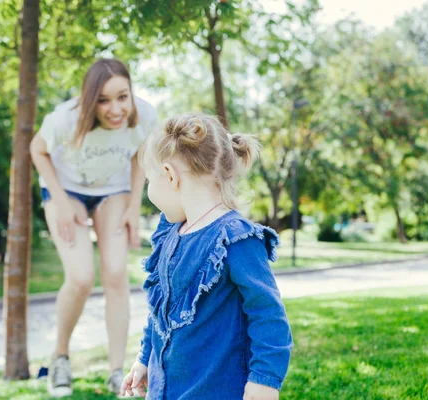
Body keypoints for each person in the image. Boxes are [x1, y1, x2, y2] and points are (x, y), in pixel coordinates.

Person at [120, 113, 293, 399]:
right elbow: (160, 311)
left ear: (170, 175)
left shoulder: (235, 237)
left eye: (150, 180)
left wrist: (264, 380)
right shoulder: (171, 233)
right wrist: (144, 359)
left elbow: (268, 313)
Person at [29, 58, 158, 397]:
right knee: (81, 277)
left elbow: (140, 155)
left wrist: (133, 205)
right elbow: (37, 150)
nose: (115, 109)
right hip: (66, 189)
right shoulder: (65, 119)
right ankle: (60, 357)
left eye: (122, 97)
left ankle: (118, 372)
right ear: (90, 100)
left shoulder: (144, 115)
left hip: (113, 191)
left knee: (116, 274)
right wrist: (57, 200)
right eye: (103, 100)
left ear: (131, 93)